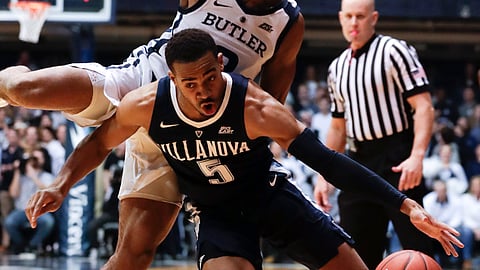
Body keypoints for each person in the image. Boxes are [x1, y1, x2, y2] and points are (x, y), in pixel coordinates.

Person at [26, 28, 463, 270]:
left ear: (220, 64)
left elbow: (329, 162)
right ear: (172, 81)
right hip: (216, 213)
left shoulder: (255, 106)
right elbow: (100, 141)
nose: (203, 91)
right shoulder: (147, 104)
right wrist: (61, 185)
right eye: (190, 84)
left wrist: (407, 207)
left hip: (272, 199)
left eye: (208, 77)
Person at [0, 1, 304, 269]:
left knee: (134, 257)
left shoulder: (289, 21)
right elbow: (100, 143)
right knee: (21, 90)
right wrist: (60, 184)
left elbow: (270, 102)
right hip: (133, 88)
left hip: (184, 139)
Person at [315, 0, 436, 268]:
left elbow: (424, 106)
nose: (354, 22)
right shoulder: (337, 67)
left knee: (417, 247)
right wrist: (324, 174)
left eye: (360, 16)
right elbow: (338, 126)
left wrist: (417, 156)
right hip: (357, 161)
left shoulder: (395, 50)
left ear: (374, 18)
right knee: (358, 253)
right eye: (348, 16)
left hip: (397, 158)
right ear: (340, 18)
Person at [5, 149, 55, 255]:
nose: (35, 161)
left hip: (40, 211)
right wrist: (18, 172)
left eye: (38, 158)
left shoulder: (47, 176)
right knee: (9, 222)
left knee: (48, 222)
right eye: (33, 158)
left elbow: (48, 193)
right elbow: (13, 194)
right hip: (21, 210)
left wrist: (34, 176)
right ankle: (22, 245)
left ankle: (32, 245)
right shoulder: (22, 177)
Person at [423, 180, 463, 267]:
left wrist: (447, 228)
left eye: (442, 191)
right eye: (438, 191)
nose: (440, 193)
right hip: (433, 227)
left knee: (462, 232)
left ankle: (454, 261)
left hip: (451, 227)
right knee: (425, 234)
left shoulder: (455, 200)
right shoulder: (427, 199)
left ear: (446, 190)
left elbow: (457, 218)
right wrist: (437, 227)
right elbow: (426, 218)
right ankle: (432, 261)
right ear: (434, 191)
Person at [460, 175, 480, 270]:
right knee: (466, 232)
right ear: (471, 186)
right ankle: (467, 260)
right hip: (469, 227)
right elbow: (464, 218)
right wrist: (475, 229)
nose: (477, 187)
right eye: (475, 185)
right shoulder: (465, 198)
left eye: (479, 185)